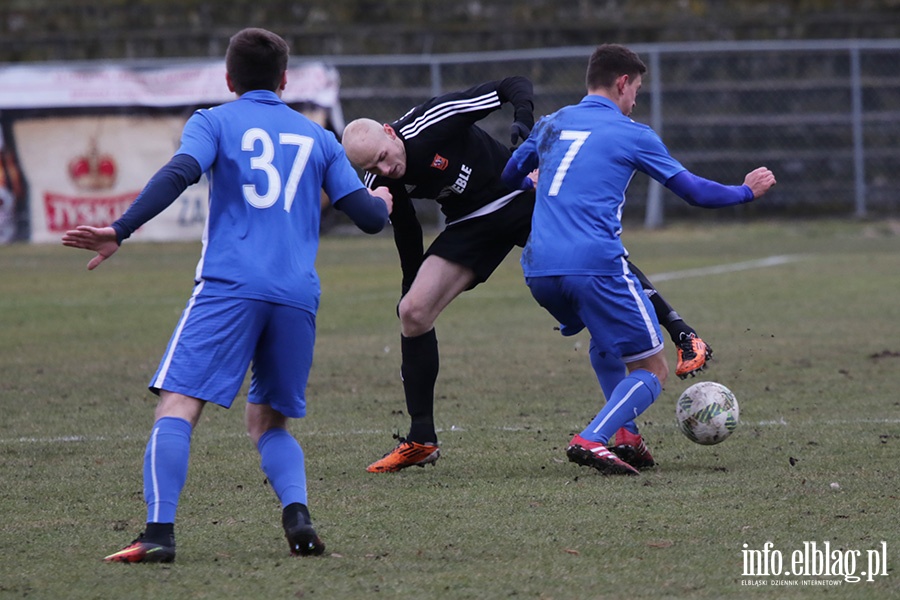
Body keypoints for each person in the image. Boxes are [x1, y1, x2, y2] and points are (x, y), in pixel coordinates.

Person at [62, 28, 393, 562]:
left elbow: (180, 173)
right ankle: (298, 517)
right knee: (267, 422)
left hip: (230, 287)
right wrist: (381, 200)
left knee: (178, 405)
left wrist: (119, 230)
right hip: (296, 296)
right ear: (285, 80)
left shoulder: (213, 120)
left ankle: (158, 534)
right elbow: (371, 219)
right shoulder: (319, 137)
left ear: (228, 78)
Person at [341, 77, 712, 474]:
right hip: (470, 223)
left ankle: (681, 332)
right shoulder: (378, 179)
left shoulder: (431, 121)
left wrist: (522, 122)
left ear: (388, 131)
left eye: (383, 156)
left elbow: (511, 86)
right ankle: (421, 440)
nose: (385, 168)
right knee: (412, 312)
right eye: (372, 166)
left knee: (595, 262)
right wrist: (409, 285)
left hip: (518, 195)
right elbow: (407, 230)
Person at [502, 43, 776, 475]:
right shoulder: (632, 133)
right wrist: (746, 191)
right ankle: (592, 439)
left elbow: (509, 174)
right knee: (652, 368)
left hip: (538, 268)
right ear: (622, 82)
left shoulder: (552, 123)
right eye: (636, 91)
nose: (634, 101)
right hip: (594, 265)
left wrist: (536, 179)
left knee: (605, 342)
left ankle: (627, 436)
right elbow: (694, 192)